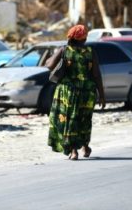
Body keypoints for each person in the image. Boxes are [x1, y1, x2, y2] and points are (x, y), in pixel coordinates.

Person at [45, 24, 105, 160]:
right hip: (87, 92)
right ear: (83, 38)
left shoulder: (65, 50)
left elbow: (49, 65)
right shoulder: (90, 51)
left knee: (70, 120)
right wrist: (102, 95)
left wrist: (53, 55)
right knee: (84, 120)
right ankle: (85, 146)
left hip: (68, 93)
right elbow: (96, 75)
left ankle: (73, 151)